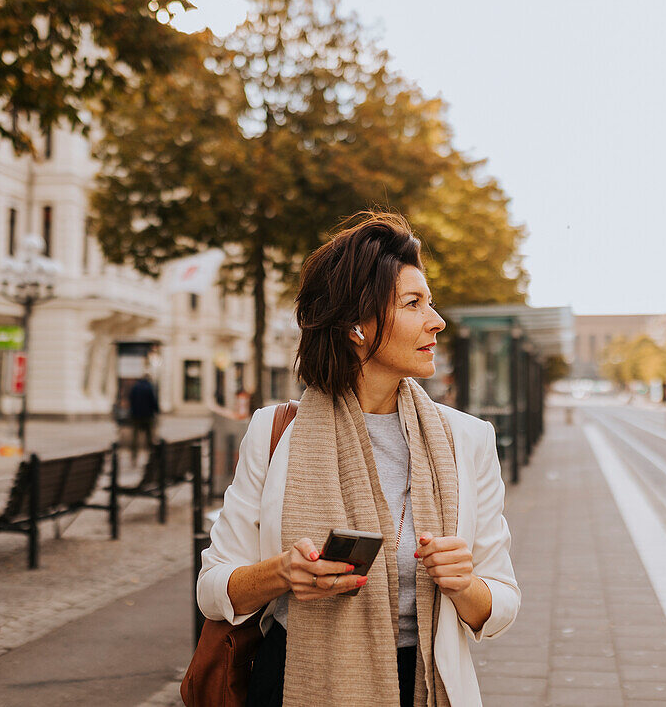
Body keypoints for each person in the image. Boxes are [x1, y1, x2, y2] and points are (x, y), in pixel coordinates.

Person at [197, 214, 521, 707]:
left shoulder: (467, 439)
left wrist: (464, 583)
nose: (437, 321)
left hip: (422, 686)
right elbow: (213, 589)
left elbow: (500, 605)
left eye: (429, 302)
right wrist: (282, 574)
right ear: (356, 324)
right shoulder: (274, 431)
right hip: (292, 683)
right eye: (413, 304)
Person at [128, 374, 160, 467]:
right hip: (147, 416)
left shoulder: (135, 387)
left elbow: (131, 400)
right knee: (149, 437)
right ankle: (152, 457)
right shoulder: (149, 387)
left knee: (135, 438)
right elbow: (153, 401)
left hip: (136, 415)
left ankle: (133, 457)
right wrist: (156, 411)